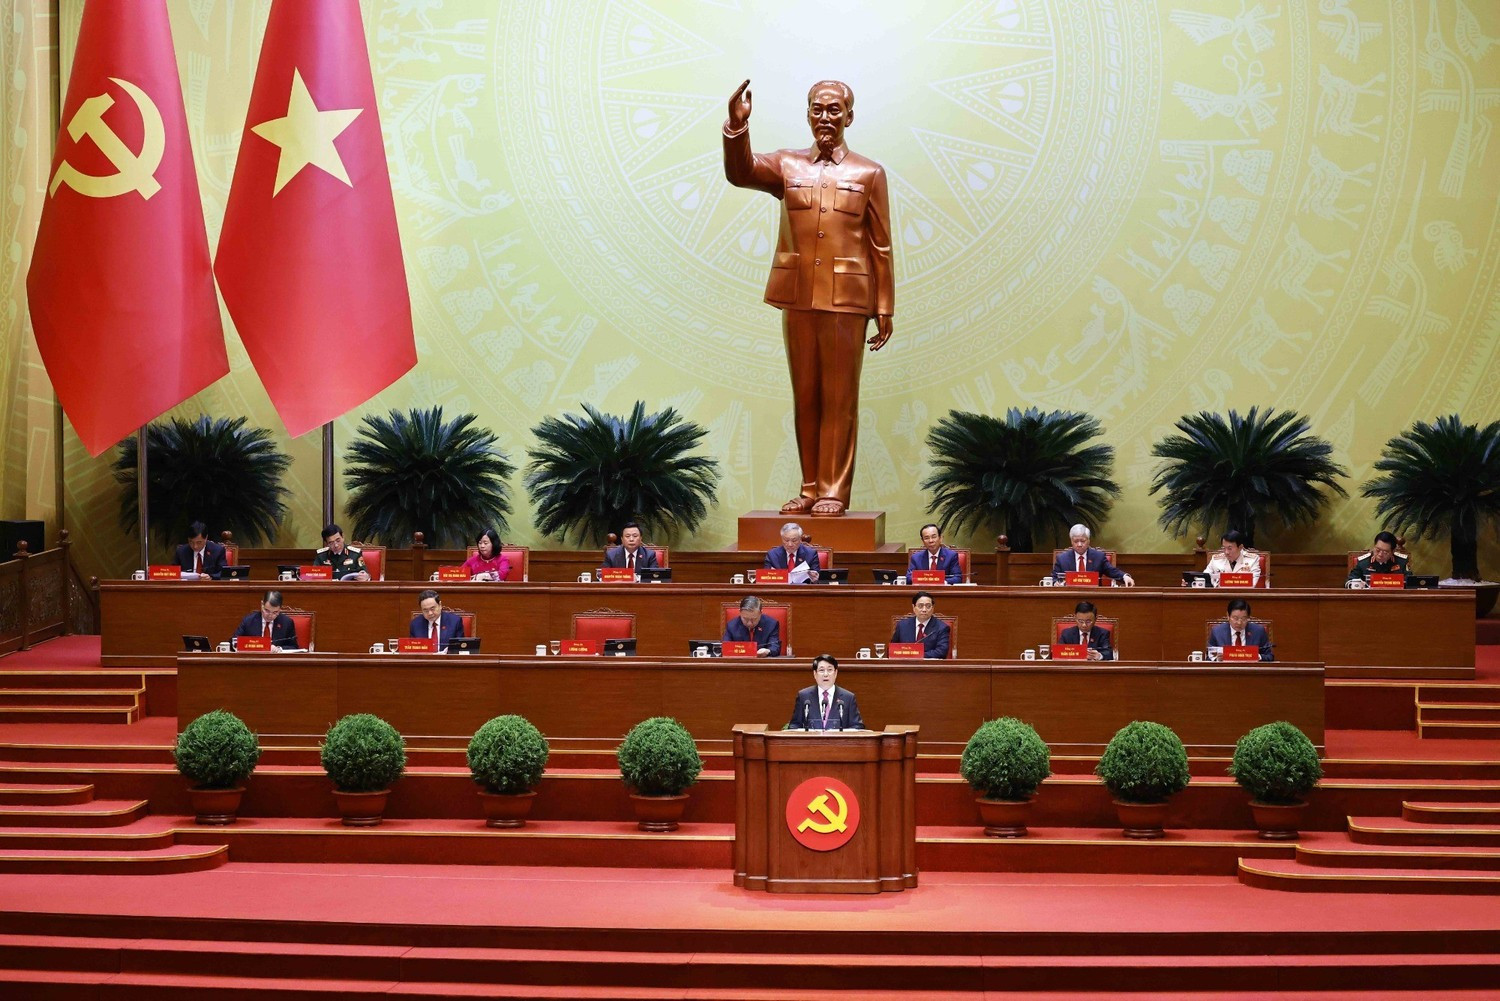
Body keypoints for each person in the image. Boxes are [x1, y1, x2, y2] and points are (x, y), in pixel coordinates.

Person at [723, 78, 895, 518]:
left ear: (849, 117)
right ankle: (810, 487)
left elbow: (880, 245)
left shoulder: (868, 173)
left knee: (839, 398)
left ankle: (835, 490)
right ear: (807, 114)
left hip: (847, 301)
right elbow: (741, 173)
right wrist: (737, 128)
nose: (825, 118)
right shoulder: (786, 165)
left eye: (834, 110)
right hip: (798, 295)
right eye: (817, 109)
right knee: (807, 396)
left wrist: (884, 307)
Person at [788, 654, 864, 730]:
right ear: (815, 674)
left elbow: (858, 727)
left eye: (830, 670)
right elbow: (794, 726)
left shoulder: (848, 698)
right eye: (821, 670)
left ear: (835, 673)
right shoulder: (803, 696)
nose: (826, 674)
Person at [1050, 524, 1134, 586]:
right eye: (1076, 541)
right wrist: (1055, 583)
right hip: (1069, 597)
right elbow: (1054, 578)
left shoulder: (1099, 557)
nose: (1079, 544)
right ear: (1071, 541)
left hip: (1094, 597)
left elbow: (1112, 571)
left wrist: (1124, 576)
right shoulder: (1062, 558)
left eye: (1083, 541)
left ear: (1088, 541)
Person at [1208, 598, 1274, 661]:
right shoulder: (1217, 632)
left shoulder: (1258, 631)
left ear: (1248, 617)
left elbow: (1270, 657)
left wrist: (1257, 656)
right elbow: (1209, 658)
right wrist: (1217, 659)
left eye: (1243, 618)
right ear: (1228, 616)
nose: (1239, 623)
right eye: (1235, 618)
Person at [890, 591, 950, 659]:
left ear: (933, 608)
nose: (924, 610)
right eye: (920, 606)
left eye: (928, 606)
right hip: (905, 666)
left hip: (929, 667)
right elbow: (892, 649)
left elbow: (941, 652)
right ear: (914, 607)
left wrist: (917, 655)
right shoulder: (902, 625)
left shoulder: (942, 628)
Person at [231, 590, 299, 650]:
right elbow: (234, 643)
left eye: (275, 612)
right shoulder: (248, 621)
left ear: (280, 609)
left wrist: (279, 649)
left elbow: (294, 646)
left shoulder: (287, 622)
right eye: (267, 610)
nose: (270, 615)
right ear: (262, 605)